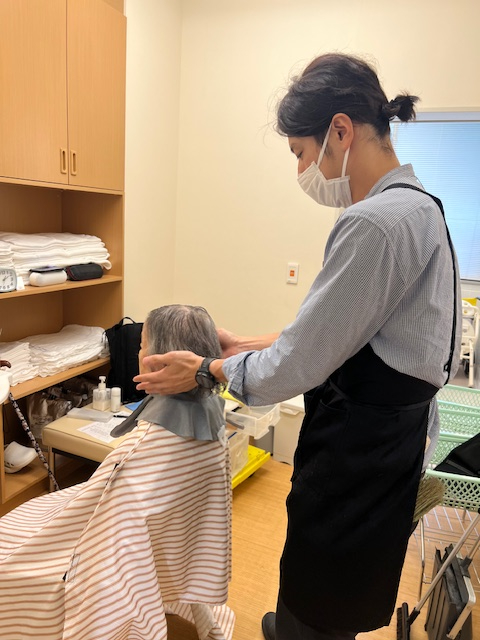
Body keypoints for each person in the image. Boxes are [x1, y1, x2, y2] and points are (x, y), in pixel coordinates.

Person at [134, 53, 462, 640]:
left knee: (322, 596)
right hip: (390, 445)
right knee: (337, 592)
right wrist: (242, 343)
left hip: (357, 457)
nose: (303, 170)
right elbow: (343, 336)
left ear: (340, 131)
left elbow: (295, 364)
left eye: (301, 153)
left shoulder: (375, 223)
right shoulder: (422, 208)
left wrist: (207, 368)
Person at [0, 304, 234, 640]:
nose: (138, 352)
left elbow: (105, 532)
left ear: (159, 360)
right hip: (176, 537)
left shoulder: (142, 450)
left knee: (11, 540)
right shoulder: (212, 413)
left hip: (92, 535)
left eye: (141, 345)